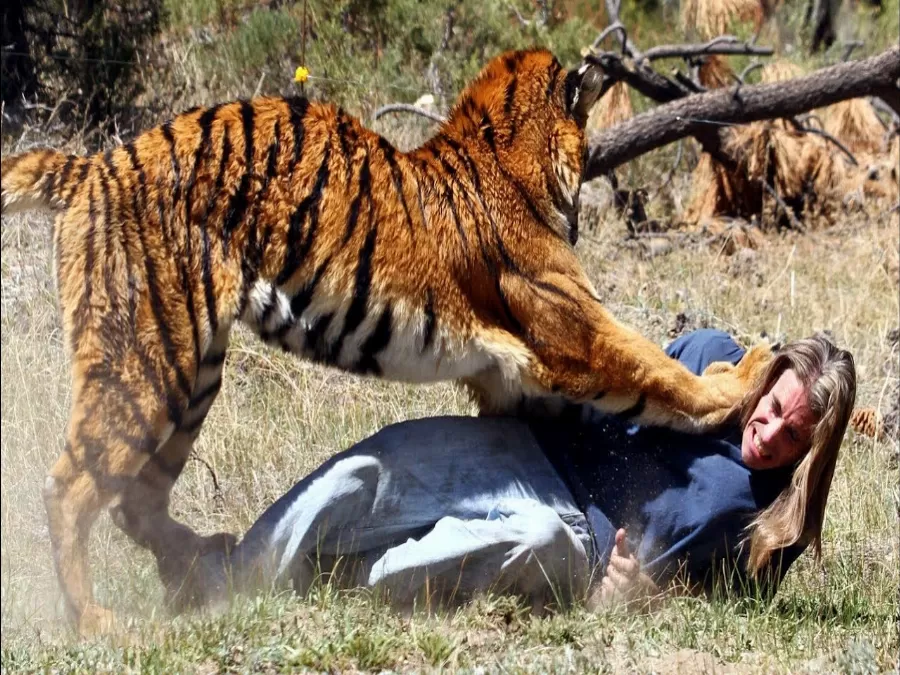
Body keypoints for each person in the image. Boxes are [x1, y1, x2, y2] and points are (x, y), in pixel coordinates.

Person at [187, 329, 857, 614]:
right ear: (765, 381)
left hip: (576, 543)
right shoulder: (709, 357)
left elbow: (720, 607)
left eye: (794, 435)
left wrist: (639, 595)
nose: (769, 434)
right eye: (771, 409)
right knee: (379, 467)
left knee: (518, 540)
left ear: (813, 450)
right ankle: (228, 576)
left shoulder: (771, 520)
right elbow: (610, 386)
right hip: (533, 451)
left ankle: (327, 587)